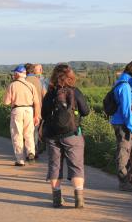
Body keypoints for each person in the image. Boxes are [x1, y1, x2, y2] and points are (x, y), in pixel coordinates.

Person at [41, 63, 90, 208]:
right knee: (76, 165)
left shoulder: (50, 94)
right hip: (72, 134)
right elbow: (86, 111)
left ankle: (57, 198)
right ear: (70, 76)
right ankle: (79, 199)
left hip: (52, 135)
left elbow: (44, 114)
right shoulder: (75, 91)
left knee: (55, 166)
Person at [110, 60, 132, 192]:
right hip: (124, 124)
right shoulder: (125, 85)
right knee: (123, 152)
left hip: (126, 122)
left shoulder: (127, 82)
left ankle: (130, 176)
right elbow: (126, 109)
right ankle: (123, 181)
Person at [3, 64, 41, 166]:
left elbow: (6, 102)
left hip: (17, 110)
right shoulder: (31, 85)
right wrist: (36, 116)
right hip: (29, 110)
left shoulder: (12, 85)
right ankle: (31, 152)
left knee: (17, 134)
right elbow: (37, 103)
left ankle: (20, 159)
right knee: (29, 133)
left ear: (16, 74)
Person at [26, 63, 47, 158]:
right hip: (38, 108)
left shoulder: (24, 80)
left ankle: (31, 150)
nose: (40, 70)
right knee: (35, 129)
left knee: (29, 130)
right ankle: (35, 149)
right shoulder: (40, 81)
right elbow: (44, 95)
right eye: (39, 69)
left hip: (27, 108)